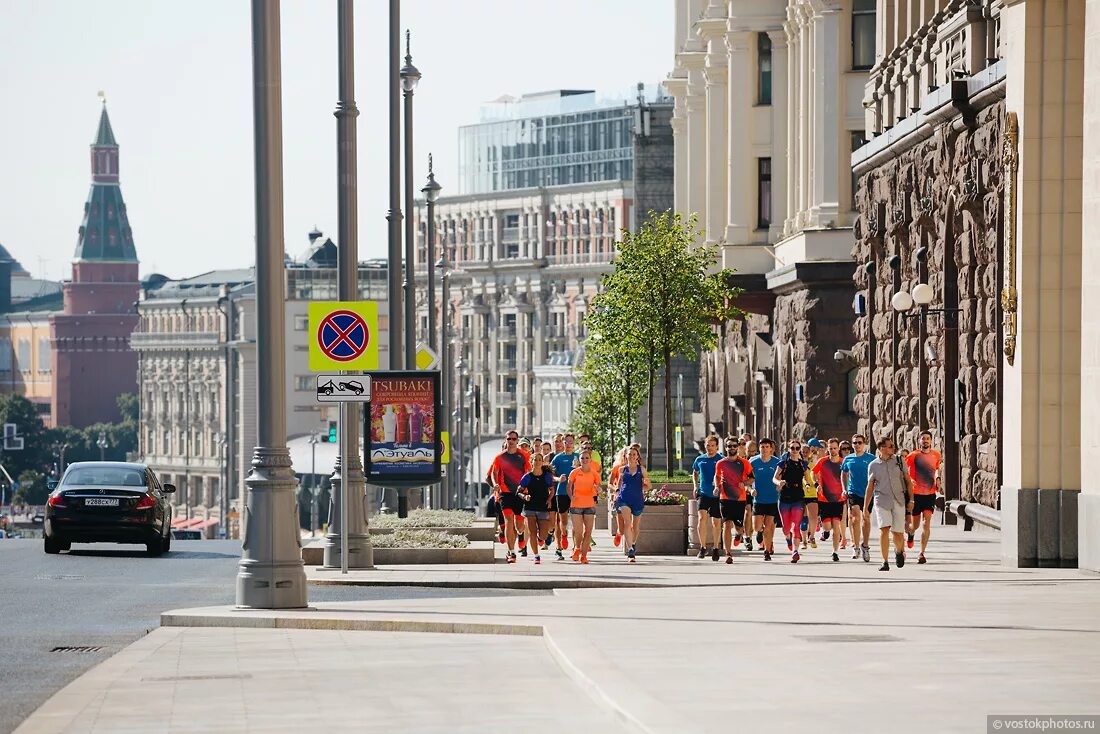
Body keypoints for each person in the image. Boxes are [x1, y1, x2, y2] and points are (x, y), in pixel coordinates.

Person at [866, 436, 914, 571]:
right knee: (884, 529)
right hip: (881, 500)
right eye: (890, 446)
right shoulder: (873, 465)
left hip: (898, 500)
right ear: (882, 448)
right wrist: (865, 508)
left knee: (897, 533)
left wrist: (911, 500)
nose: (893, 448)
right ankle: (884, 561)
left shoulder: (899, 461)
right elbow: (869, 487)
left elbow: (908, 481)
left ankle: (899, 551)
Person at [489, 430, 531, 564]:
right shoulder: (499, 457)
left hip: (519, 492)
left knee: (519, 525)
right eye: (509, 439)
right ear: (506, 440)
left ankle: (521, 535)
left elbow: (528, 472)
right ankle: (511, 552)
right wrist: (495, 484)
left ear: (517, 441)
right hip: (505, 492)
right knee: (508, 520)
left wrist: (528, 488)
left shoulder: (523, 455)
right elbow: (494, 473)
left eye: (514, 439)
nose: (511, 441)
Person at [905, 430, 941, 564]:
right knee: (915, 525)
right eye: (923, 439)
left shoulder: (936, 455)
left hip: (930, 494)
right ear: (919, 441)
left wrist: (937, 478)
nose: (925, 441)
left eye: (927, 438)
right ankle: (911, 533)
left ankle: (921, 553)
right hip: (916, 494)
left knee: (926, 524)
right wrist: (909, 480)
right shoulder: (912, 456)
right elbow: (904, 471)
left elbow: (936, 468)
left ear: (931, 441)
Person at [716, 437, 753, 564]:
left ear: (738, 447)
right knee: (726, 525)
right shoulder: (720, 463)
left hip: (739, 499)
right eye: (729, 446)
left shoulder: (744, 463)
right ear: (725, 447)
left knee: (739, 527)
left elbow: (752, 478)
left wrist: (744, 483)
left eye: (734, 446)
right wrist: (716, 487)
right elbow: (717, 477)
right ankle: (728, 553)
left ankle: (739, 535)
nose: (732, 448)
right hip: (725, 498)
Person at [774, 440, 811, 563]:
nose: (795, 450)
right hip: (784, 497)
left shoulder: (803, 464)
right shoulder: (783, 463)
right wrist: (779, 482)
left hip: (798, 497)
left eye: (797, 448)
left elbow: (806, 478)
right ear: (789, 449)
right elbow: (774, 478)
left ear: (799, 449)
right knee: (786, 527)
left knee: (796, 526)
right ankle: (787, 537)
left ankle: (795, 551)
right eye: (792, 448)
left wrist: (807, 485)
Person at [812, 438, 847, 562]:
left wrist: (846, 490)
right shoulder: (822, 461)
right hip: (824, 498)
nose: (832, 450)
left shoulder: (843, 462)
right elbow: (813, 473)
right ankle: (825, 531)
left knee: (836, 525)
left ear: (838, 449)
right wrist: (817, 485)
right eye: (830, 448)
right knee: (827, 526)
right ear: (827, 449)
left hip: (838, 498)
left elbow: (848, 477)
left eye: (835, 448)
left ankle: (835, 552)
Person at [842, 434, 875, 562]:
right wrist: (845, 488)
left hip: (867, 493)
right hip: (853, 491)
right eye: (854, 443)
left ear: (864, 444)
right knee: (855, 517)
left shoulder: (871, 458)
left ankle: (865, 546)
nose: (857, 445)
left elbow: (876, 474)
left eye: (859, 443)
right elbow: (843, 473)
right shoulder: (848, 459)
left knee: (866, 518)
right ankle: (855, 546)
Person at [518, 449, 554, 565]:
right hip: (530, 508)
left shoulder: (547, 476)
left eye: (540, 460)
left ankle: (541, 539)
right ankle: (536, 555)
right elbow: (518, 492)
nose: (538, 462)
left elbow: (552, 490)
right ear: (531, 462)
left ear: (542, 462)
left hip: (543, 507)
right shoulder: (527, 477)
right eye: (535, 460)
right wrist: (524, 497)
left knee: (543, 535)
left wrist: (549, 500)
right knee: (532, 532)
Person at [615, 446, 650, 562]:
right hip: (624, 498)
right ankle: (630, 550)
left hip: (637, 499)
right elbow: (619, 485)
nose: (632, 456)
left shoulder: (642, 470)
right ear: (626, 456)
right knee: (627, 522)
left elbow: (648, 487)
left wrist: (646, 483)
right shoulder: (622, 470)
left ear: (638, 457)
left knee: (636, 525)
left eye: (634, 454)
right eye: (629, 454)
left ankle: (633, 543)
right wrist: (616, 494)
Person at [750, 438, 782, 561]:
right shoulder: (753, 462)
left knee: (769, 526)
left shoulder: (777, 462)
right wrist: (751, 489)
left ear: (771, 449)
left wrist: (780, 485)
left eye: (766, 447)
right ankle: (760, 532)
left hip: (773, 499)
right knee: (757, 527)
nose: (764, 449)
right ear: (759, 448)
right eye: (762, 447)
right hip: (758, 499)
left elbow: (781, 476)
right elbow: (748, 478)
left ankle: (767, 551)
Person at [567, 449, 601, 564]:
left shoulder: (594, 473)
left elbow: (598, 486)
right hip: (576, 505)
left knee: (588, 531)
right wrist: (571, 496)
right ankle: (577, 548)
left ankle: (584, 556)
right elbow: (568, 486)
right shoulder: (575, 472)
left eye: (587, 458)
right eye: (582, 458)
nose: (585, 460)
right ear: (579, 460)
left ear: (590, 459)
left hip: (589, 505)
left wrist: (599, 490)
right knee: (579, 531)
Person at [692, 435, 722, 560]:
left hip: (717, 494)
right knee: (701, 518)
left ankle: (715, 548)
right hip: (703, 493)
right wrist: (695, 486)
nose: (710, 448)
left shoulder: (721, 459)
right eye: (708, 445)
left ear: (717, 447)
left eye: (712, 445)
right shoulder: (700, 459)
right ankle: (703, 547)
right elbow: (695, 472)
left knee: (716, 522)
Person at [549, 433, 578, 560]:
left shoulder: (578, 457)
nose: (568, 444)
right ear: (563, 443)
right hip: (561, 492)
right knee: (562, 522)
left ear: (574, 443)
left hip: (577, 492)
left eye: (571, 442)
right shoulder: (558, 458)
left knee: (577, 522)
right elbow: (550, 475)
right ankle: (560, 545)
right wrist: (557, 479)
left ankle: (575, 548)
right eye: (566, 442)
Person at [801, 441, 822, 549]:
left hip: (812, 492)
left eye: (806, 452)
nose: (804, 453)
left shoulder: (813, 464)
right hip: (800, 493)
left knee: (813, 517)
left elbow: (817, 476)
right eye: (803, 452)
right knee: (803, 517)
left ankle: (812, 536)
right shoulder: (798, 464)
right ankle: (804, 540)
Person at [608, 447, 629, 547]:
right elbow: (609, 483)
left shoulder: (637, 468)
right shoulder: (617, 468)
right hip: (619, 498)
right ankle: (619, 533)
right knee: (621, 527)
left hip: (632, 498)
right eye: (625, 455)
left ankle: (630, 548)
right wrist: (616, 489)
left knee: (630, 524)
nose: (628, 457)